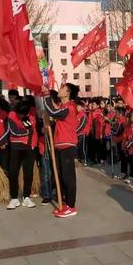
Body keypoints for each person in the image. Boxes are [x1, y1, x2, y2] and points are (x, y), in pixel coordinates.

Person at [44, 83, 79, 218]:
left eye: (62, 88)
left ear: (67, 93)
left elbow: (52, 112)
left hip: (67, 145)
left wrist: (46, 95)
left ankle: (71, 206)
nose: (59, 90)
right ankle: (64, 203)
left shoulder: (70, 107)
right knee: (60, 176)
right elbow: (53, 114)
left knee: (68, 177)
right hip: (59, 145)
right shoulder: (63, 107)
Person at [7, 98, 38, 210]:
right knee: (13, 172)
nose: (21, 116)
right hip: (16, 147)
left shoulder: (32, 113)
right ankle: (14, 198)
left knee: (28, 172)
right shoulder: (11, 115)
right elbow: (14, 131)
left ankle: (26, 197)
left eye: (23, 115)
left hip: (30, 147)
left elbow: (34, 129)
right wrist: (27, 131)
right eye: (19, 114)